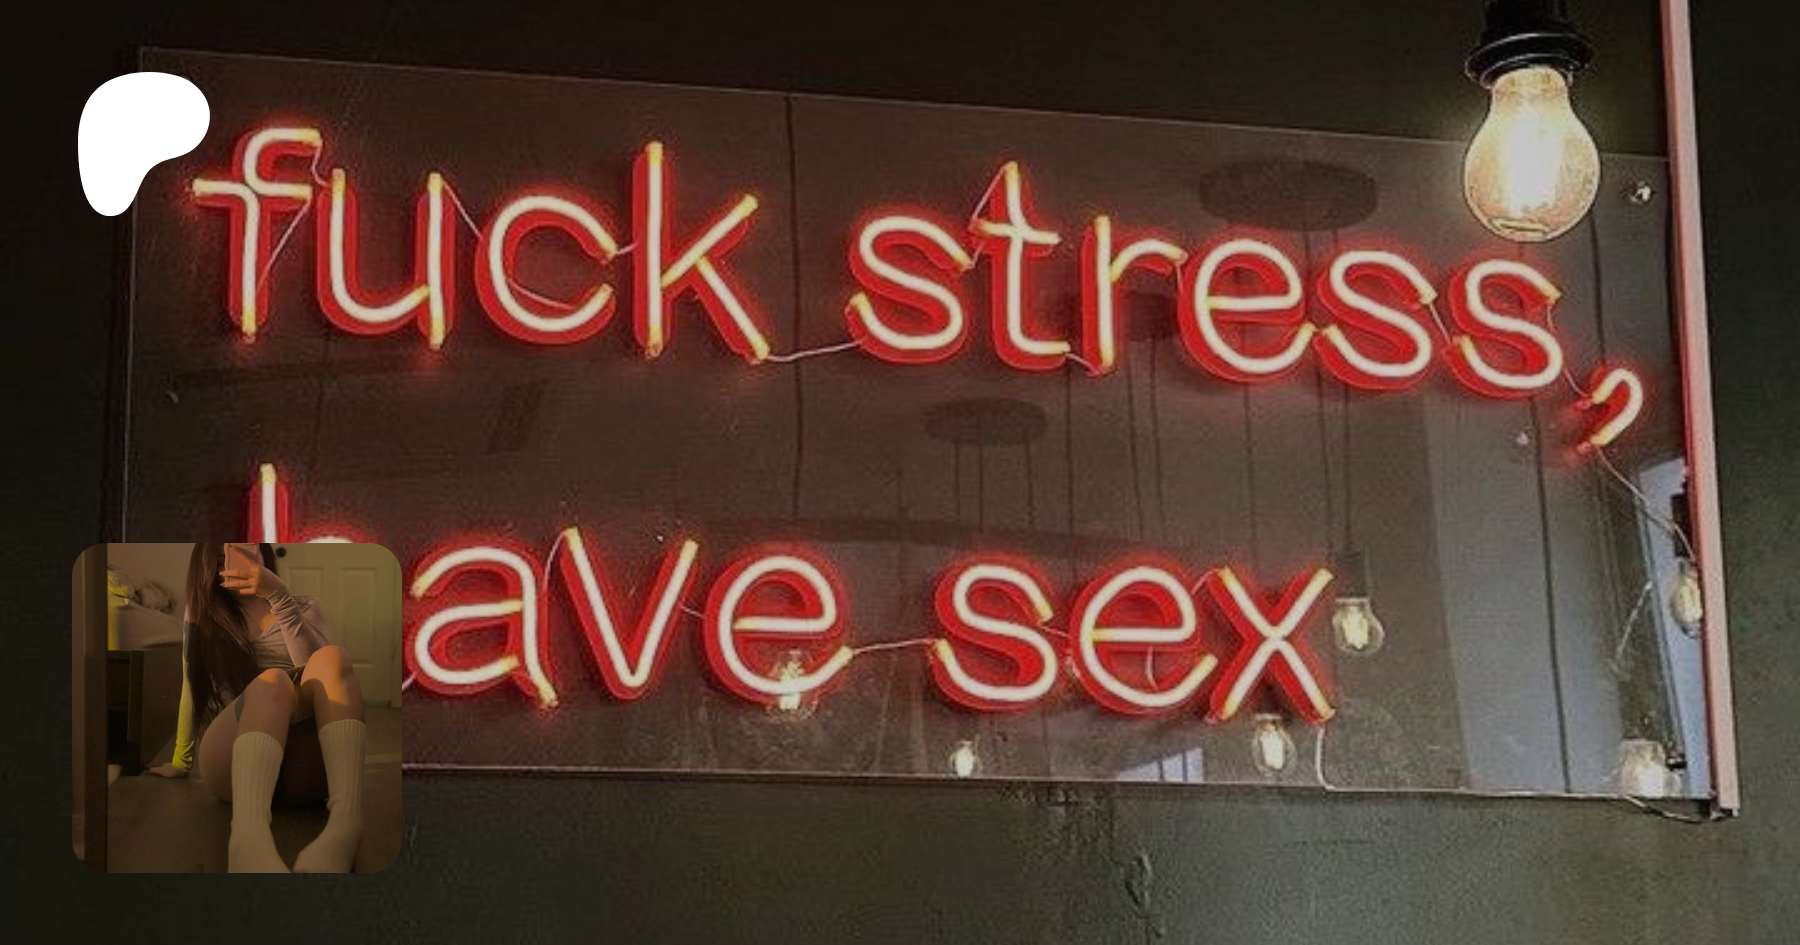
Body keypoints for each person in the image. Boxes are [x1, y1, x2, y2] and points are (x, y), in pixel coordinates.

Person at [141, 543, 366, 873]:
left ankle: (347, 823)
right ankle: (247, 838)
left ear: (263, 551)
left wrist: (278, 596)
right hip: (233, 762)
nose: (235, 562)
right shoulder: (203, 615)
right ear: (209, 568)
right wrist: (180, 761)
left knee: (332, 658)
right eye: (222, 557)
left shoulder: (304, 606)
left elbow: (318, 678)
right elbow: (191, 685)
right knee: (272, 682)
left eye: (244, 550)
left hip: (304, 769)